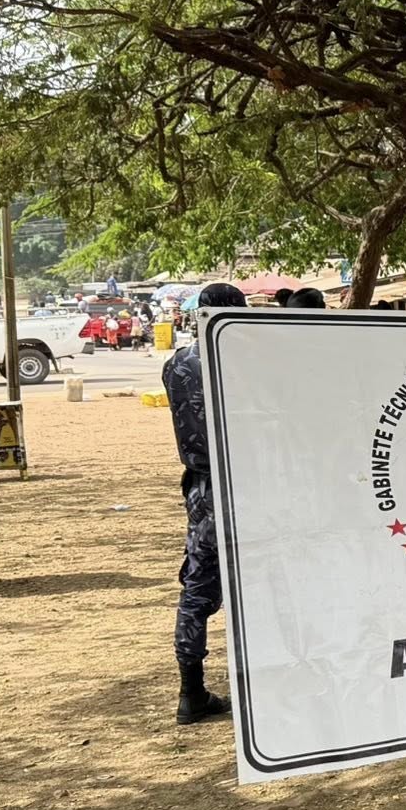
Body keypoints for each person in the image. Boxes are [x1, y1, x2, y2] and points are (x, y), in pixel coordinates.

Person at [164, 281, 250, 724]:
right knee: (266, 582)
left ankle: (190, 690)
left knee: (198, 587)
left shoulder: (176, 363)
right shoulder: (245, 360)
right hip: (248, 484)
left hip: (200, 489)